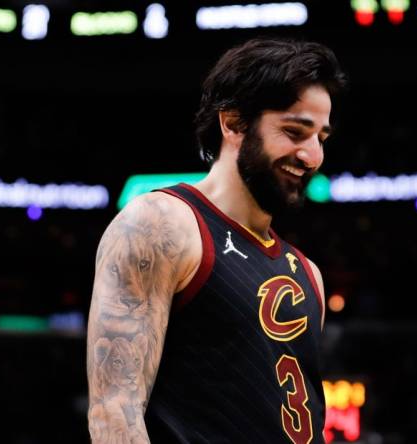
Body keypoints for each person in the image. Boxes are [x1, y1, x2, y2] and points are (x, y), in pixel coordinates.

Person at [87, 37, 347, 443]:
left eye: (321, 138)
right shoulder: (162, 223)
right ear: (233, 123)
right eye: (295, 132)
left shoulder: (308, 274)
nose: (312, 156)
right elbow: (114, 413)